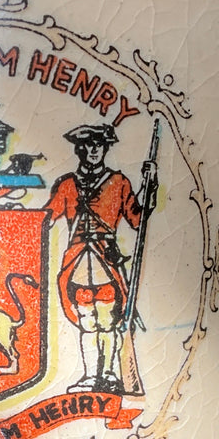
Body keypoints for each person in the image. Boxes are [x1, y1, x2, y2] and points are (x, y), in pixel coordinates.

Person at [43, 123, 156, 394]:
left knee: (107, 322)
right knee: (88, 322)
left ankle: (108, 374)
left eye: (99, 145)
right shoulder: (67, 184)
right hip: (78, 262)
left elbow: (137, 218)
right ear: (79, 149)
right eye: (88, 145)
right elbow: (46, 219)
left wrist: (150, 186)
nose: (94, 150)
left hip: (106, 259)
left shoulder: (118, 182)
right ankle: (90, 376)